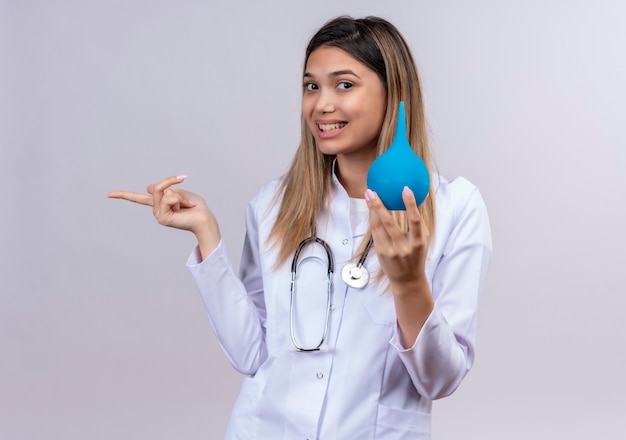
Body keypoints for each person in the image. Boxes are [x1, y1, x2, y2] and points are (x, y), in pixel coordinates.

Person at [108, 15, 492, 440]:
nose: (321, 105)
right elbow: (250, 354)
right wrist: (207, 235)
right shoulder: (275, 204)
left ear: (393, 93)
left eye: (344, 85)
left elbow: (440, 381)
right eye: (312, 86)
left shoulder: (455, 209)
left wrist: (408, 284)